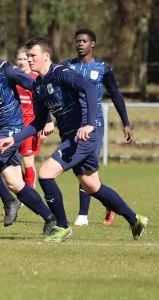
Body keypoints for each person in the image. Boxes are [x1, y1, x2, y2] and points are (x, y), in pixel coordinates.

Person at [0, 37, 148, 242]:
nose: (29, 59)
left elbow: (90, 89)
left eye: (33, 55)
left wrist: (90, 123)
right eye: (28, 56)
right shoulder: (39, 86)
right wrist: (14, 139)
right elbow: (39, 122)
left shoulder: (61, 73)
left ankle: (62, 226)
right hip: (70, 136)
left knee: (46, 173)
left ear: (46, 56)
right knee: (91, 185)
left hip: (84, 135)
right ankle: (135, 219)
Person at [0, 31, 56, 233]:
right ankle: (51, 218)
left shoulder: (6, 70)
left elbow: (36, 87)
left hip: (12, 131)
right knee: (16, 183)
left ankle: (8, 202)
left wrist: (47, 118)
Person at [60, 29, 133, 227]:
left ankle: (83, 216)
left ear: (93, 43)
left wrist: (125, 123)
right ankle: (110, 203)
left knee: (85, 169)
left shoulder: (103, 68)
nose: (80, 44)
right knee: (86, 174)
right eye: (77, 41)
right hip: (73, 125)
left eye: (84, 41)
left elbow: (116, 94)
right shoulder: (66, 66)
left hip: (94, 126)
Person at [14, 47, 47, 188]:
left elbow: (44, 103)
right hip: (14, 124)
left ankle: (30, 191)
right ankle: (23, 189)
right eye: (19, 59)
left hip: (31, 124)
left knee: (27, 161)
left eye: (24, 59)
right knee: (12, 161)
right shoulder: (13, 77)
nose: (22, 62)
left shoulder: (35, 79)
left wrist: (44, 124)